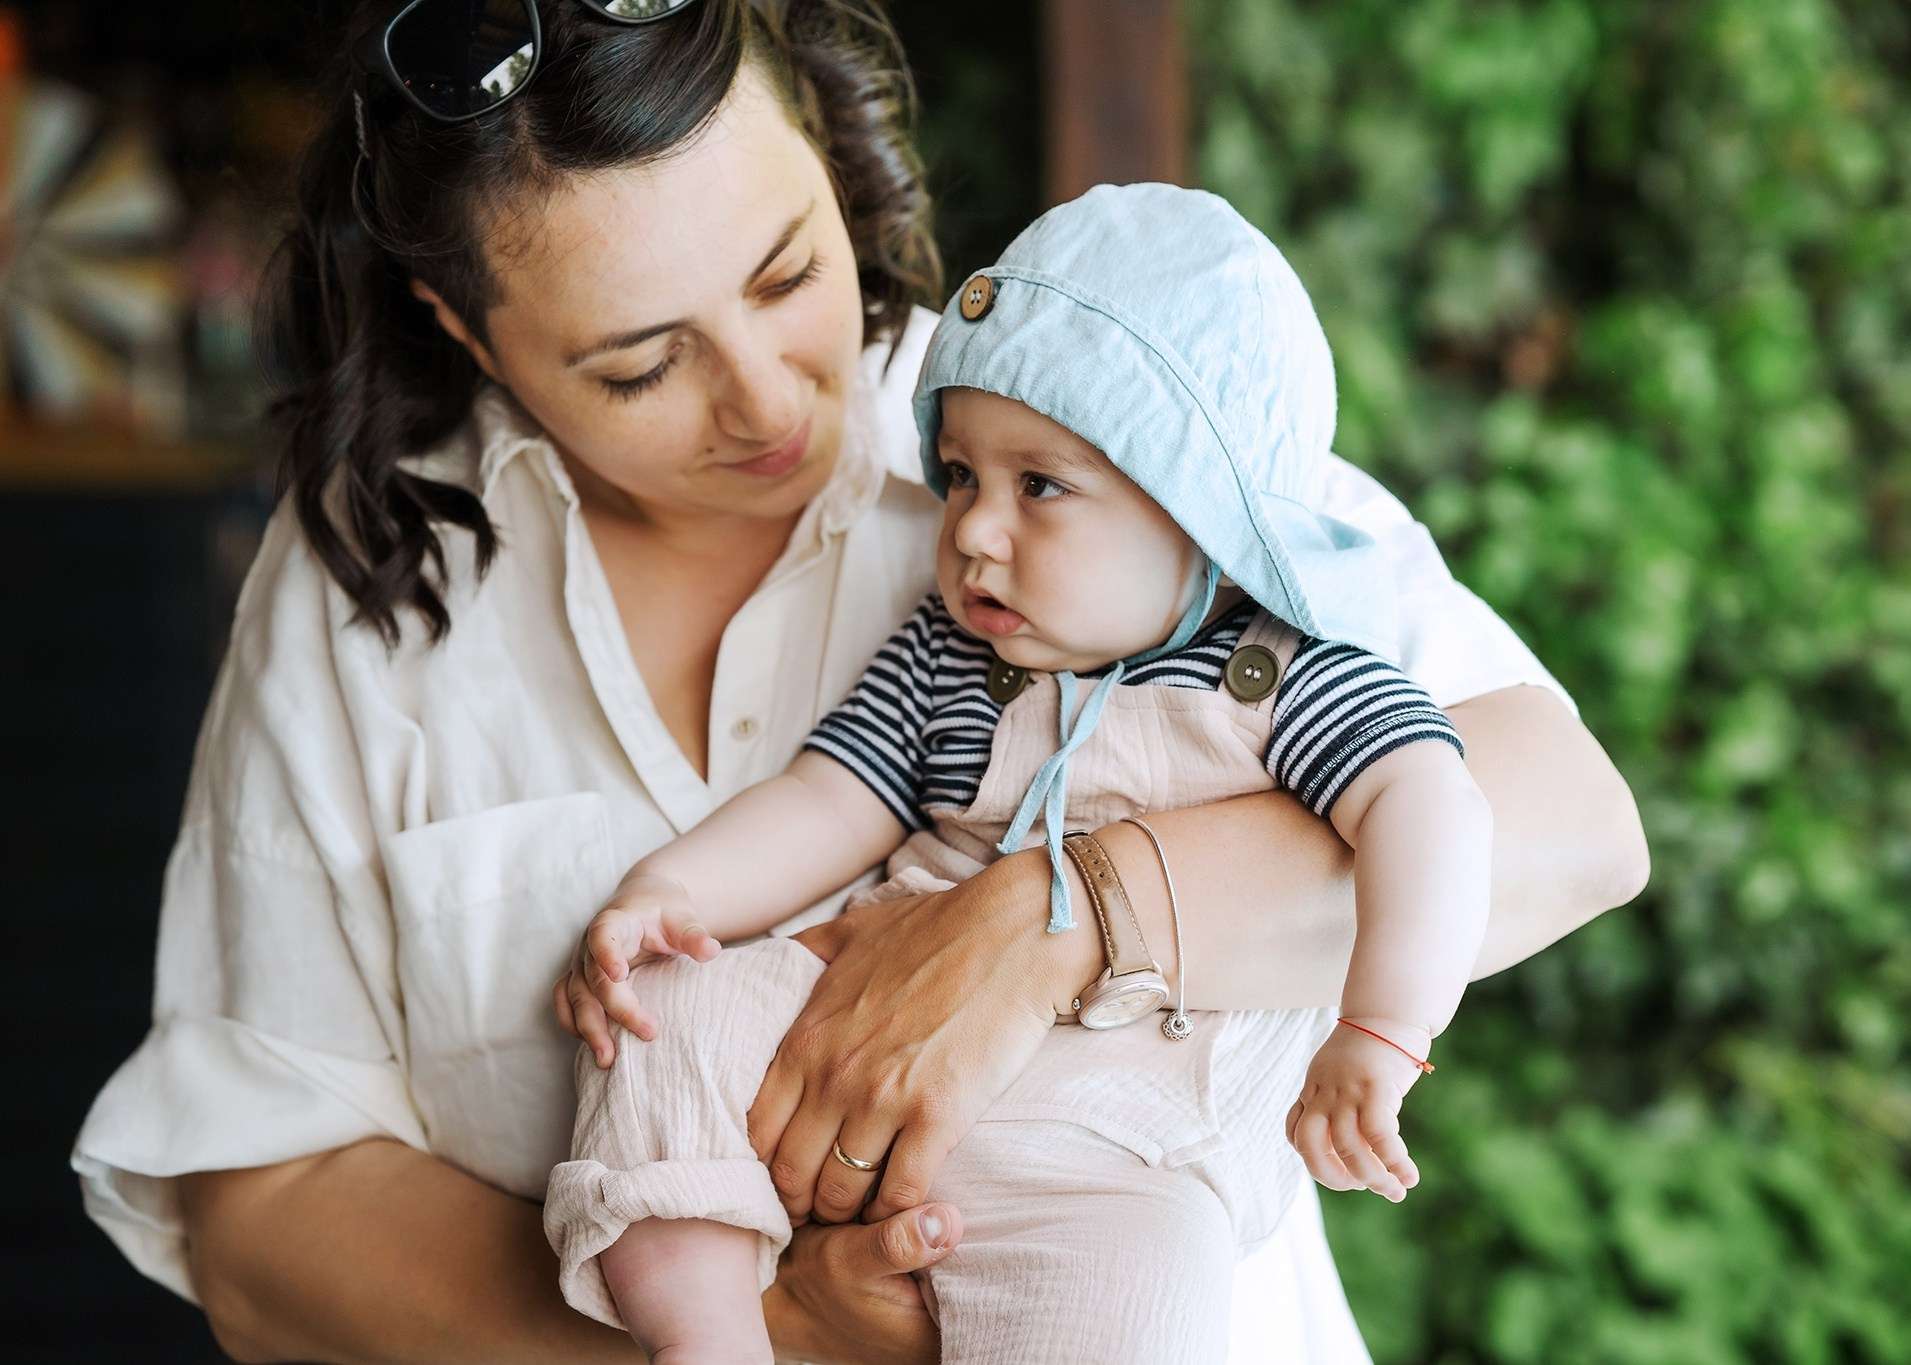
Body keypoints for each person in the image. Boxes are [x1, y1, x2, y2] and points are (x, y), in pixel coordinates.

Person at [69, 3, 1648, 1363]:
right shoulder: (374, 572)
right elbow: (260, 1217)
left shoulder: (1100, 424)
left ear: (829, 157)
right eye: (638, 364)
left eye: (786, 276)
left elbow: (1571, 827)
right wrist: (780, 1330)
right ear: (463, 328)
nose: (766, 403)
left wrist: (1065, 913)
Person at [543, 183, 1497, 1365]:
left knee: (1153, 1282)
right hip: (860, 1051)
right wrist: (669, 895)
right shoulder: (954, 656)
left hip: (1115, 1156)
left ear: (1198, 507)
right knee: (662, 1013)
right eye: (958, 475)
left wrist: (1383, 1030)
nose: (972, 530)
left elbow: (1429, 802)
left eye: (1037, 486)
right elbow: (829, 795)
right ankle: (706, 1335)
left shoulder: (1285, 679)